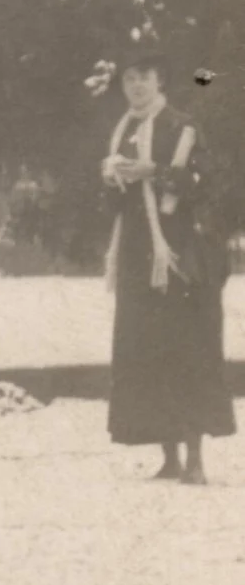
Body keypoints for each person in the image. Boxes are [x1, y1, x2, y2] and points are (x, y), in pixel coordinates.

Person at [100, 49, 233, 482]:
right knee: (147, 352)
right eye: (129, 79)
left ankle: (195, 458)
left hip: (180, 256)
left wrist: (155, 172)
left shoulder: (183, 126)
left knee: (185, 350)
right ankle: (169, 456)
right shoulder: (123, 131)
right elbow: (119, 203)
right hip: (140, 257)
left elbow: (207, 184)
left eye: (144, 77)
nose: (136, 86)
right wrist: (114, 178)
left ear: (160, 81)